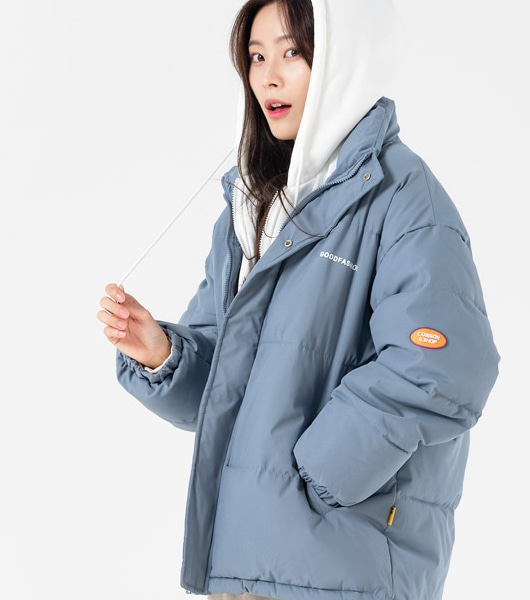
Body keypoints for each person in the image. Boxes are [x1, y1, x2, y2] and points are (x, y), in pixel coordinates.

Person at [98, 1, 500, 599]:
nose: (269, 77)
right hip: (246, 565)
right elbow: (224, 385)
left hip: (344, 566)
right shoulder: (253, 206)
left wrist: (320, 469)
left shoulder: (402, 196)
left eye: (292, 52)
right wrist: (160, 353)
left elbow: (444, 361)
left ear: (342, 60)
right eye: (256, 57)